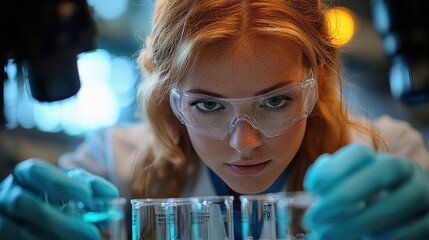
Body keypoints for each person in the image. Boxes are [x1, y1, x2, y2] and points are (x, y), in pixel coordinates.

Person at [1, 0, 429, 239]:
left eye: (275, 101)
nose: (244, 142)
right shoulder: (109, 168)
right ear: (171, 101)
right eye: (208, 105)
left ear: (315, 82)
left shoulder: (394, 160)